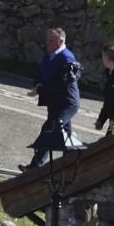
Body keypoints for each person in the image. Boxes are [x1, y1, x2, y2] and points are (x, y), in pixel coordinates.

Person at [27, 27, 82, 168]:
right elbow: (41, 71)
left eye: (51, 40)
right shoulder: (49, 54)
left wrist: (40, 90)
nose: (48, 43)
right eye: (47, 40)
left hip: (67, 103)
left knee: (51, 128)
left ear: (61, 40)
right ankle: (74, 164)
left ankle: (34, 167)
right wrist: (38, 84)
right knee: (66, 134)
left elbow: (61, 84)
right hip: (55, 102)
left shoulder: (67, 58)